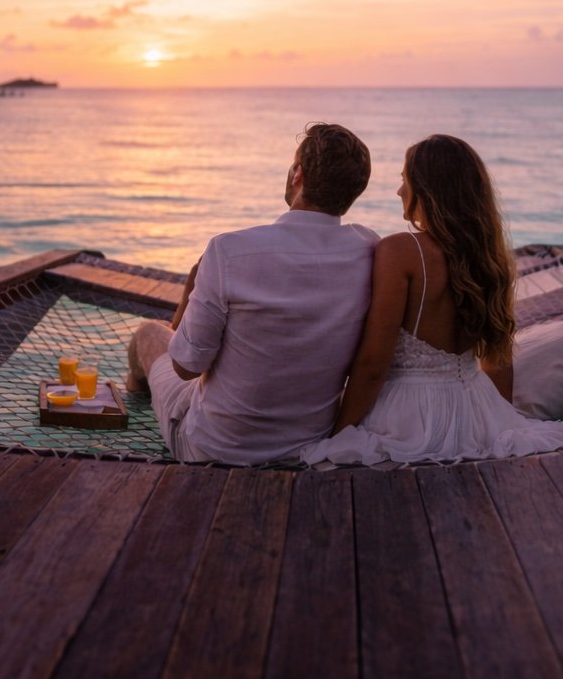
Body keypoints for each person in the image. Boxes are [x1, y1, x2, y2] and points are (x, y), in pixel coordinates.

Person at [301, 133, 563, 467]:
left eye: (404, 180)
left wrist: (338, 434)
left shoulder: (401, 251)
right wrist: (500, 423)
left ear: (427, 190)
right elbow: (498, 361)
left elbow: (373, 363)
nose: (399, 191)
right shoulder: (488, 258)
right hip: (475, 406)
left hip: (410, 415)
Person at [126, 122, 377, 464]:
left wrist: (190, 292)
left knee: (148, 334)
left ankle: (134, 397)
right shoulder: (369, 251)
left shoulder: (229, 251)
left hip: (215, 450)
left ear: (298, 175)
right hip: (307, 447)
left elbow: (186, 367)